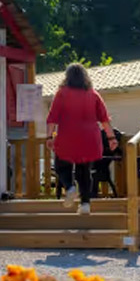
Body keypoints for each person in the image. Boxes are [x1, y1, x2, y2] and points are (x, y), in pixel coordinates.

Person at [45, 63, 117, 214]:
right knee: (84, 171)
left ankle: (70, 187)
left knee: (61, 166)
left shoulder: (62, 93)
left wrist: (49, 136)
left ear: (67, 77)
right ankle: (85, 204)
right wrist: (111, 138)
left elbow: (52, 118)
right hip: (90, 138)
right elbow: (104, 120)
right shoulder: (93, 94)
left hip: (67, 136)